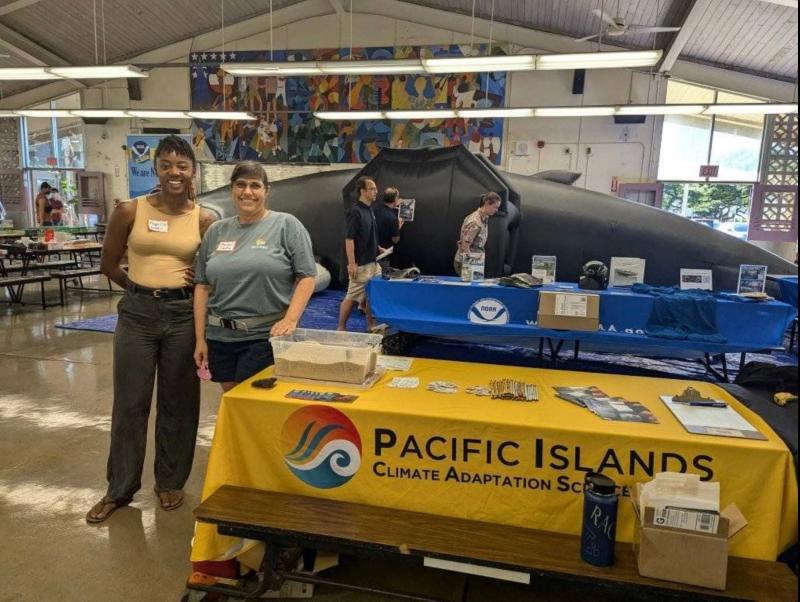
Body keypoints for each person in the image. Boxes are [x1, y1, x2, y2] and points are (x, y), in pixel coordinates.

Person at [86, 135, 216, 523]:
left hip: (181, 318)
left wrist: (187, 290)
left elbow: (211, 274)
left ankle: (170, 482)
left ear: (193, 172)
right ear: (156, 168)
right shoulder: (129, 210)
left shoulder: (205, 219)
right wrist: (141, 290)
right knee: (130, 403)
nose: (174, 172)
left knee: (179, 403)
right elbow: (108, 264)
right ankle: (119, 489)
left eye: (182, 166)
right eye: (167, 165)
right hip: (137, 316)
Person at [192, 162, 316, 392]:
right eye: (240, 185)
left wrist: (290, 319)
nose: (247, 192)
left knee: (255, 403)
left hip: (264, 338)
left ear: (266, 191)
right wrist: (200, 338)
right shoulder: (216, 231)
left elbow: (307, 276)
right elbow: (201, 286)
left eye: (255, 185)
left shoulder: (286, 225)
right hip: (220, 338)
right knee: (233, 401)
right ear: (232, 190)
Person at [338, 176, 381, 332]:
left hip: (373, 263)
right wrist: (352, 263)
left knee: (371, 296)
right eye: (372, 189)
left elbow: (369, 234)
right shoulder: (355, 212)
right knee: (352, 297)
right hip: (361, 264)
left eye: (376, 189)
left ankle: (371, 325)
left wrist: (378, 248)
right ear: (362, 191)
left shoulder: (369, 209)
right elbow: (349, 239)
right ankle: (341, 327)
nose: (376, 191)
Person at [453, 191, 502, 276]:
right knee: (470, 287)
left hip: (475, 260)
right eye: (495, 207)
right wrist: (469, 266)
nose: (496, 210)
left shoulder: (483, 218)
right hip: (466, 261)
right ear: (487, 203)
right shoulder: (475, 222)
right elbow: (465, 245)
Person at [373, 186, 404, 273]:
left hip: (370, 252)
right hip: (383, 255)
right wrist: (398, 227)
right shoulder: (393, 218)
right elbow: (395, 240)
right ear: (395, 199)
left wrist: (393, 205)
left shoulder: (374, 208)